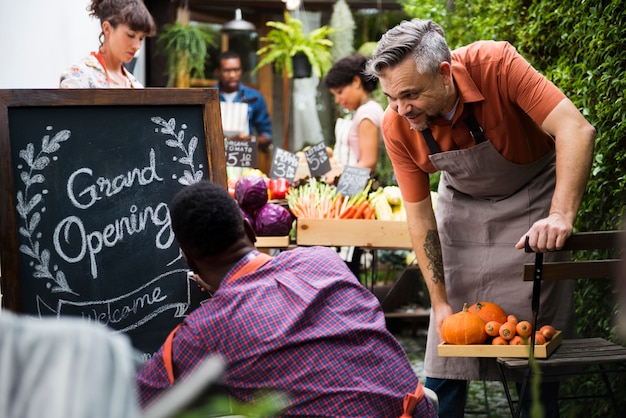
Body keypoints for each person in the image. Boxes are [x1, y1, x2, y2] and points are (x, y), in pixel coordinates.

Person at [365, 19, 595, 418]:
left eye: (409, 95)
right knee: (447, 348)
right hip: (463, 208)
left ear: (443, 73)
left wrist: (560, 215)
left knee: (532, 356)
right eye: (390, 98)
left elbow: (576, 129)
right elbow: (420, 216)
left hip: (534, 201)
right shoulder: (396, 124)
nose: (401, 109)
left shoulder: (497, 64)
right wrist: (438, 303)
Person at [135, 180, 437, 417]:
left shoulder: (203, 331)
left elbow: (134, 404)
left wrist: (226, 300)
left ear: (188, 259)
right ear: (249, 229)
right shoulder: (323, 261)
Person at [324, 53, 392, 185]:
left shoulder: (367, 112)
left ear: (356, 81)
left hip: (361, 188)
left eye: (340, 92)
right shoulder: (365, 109)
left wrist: (338, 181)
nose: (338, 100)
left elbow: (368, 163)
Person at [59, 0, 156, 88]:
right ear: (107, 29)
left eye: (141, 38)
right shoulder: (78, 77)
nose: (137, 46)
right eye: (130, 35)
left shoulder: (135, 86)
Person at [215, 51, 273, 152]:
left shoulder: (254, 97)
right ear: (217, 72)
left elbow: (267, 136)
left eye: (236, 70)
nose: (232, 75)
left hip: (243, 158)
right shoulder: (209, 97)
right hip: (213, 156)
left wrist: (251, 140)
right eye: (226, 71)